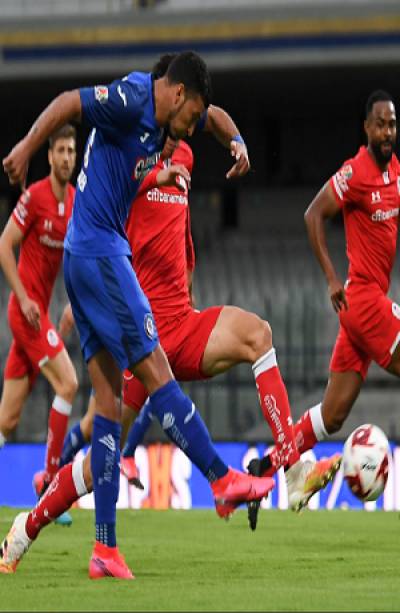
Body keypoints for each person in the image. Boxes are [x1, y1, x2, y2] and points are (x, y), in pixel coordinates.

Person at [0, 51, 275, 580]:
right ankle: (220, 480)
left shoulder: (163, 126)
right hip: (104, 256)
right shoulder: (130, 99)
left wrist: (233, 140)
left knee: (107, 407)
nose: (191, 128)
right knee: (156, 371)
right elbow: (67, 102)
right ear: (174, 94)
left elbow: (211, 115)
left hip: (91, 261)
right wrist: (27, 147)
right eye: (190, 116)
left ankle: (97, 547)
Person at [247, 89, 399, 529]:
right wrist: (332, 278)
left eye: (393, 124)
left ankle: (266, 469)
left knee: (331, 416)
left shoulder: (395, 174)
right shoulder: (355, 173)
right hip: (364, 300)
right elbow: (314, 215)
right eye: (381, 124)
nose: (388, 132)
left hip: (363, 310)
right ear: (366, 128)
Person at [0, 124, 78, 526]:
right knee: (68, 384)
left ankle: (46, 481)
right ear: (48, 157)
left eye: (71, 150)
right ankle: (49, 484)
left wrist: (70, 308)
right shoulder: (35, 197)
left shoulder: (77, 204)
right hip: (25, 313)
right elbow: (3, 245)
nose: (66, 157)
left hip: (41, 315)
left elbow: (80, 259)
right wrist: (25, 297)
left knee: (7, 421)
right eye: (60, 150)